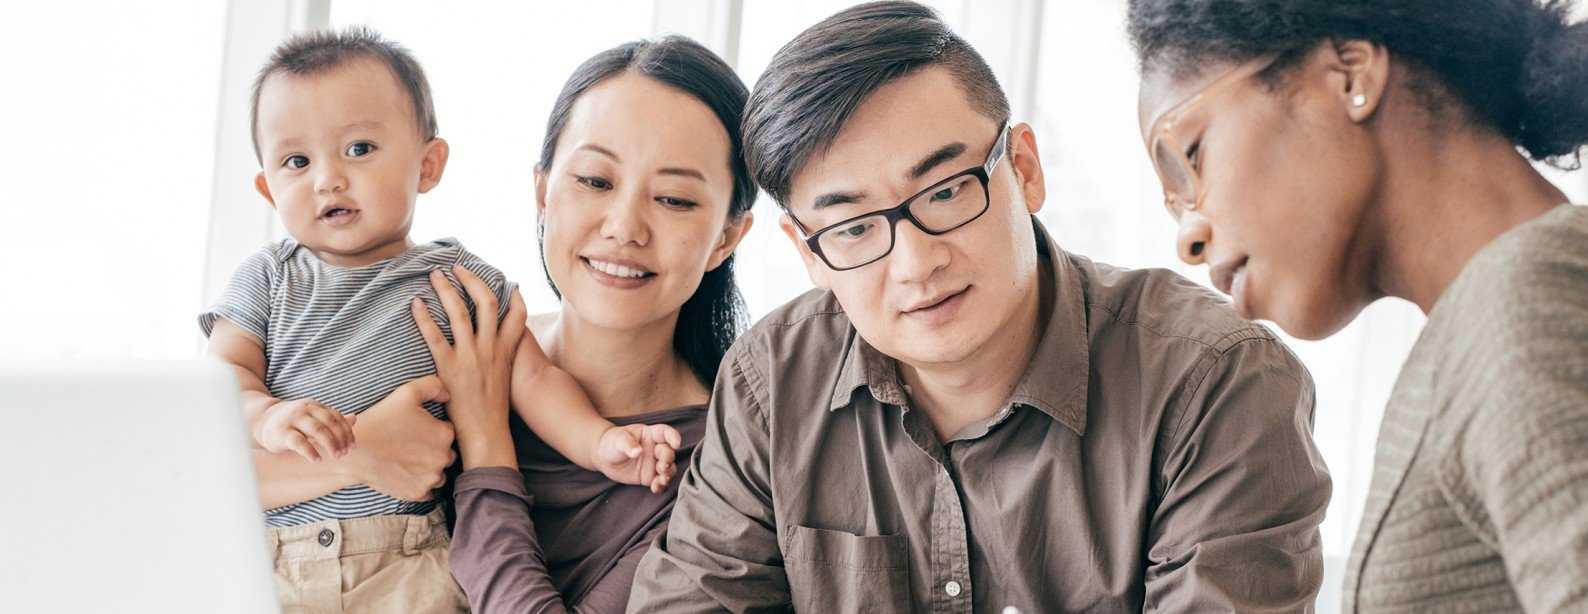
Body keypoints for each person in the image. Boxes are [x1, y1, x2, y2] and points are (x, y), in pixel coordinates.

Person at [629, 3, 1330, 612]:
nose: (915, 263)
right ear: (809, 253)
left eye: (945, 192)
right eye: (852, 229)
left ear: (1023, 168)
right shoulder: (773, 382)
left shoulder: (1214, 384)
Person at [1127, 1, 1588, 611]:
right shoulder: (1566, 287)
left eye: (1190, 157)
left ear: (1348, 71)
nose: (1189, 235)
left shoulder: (1533, 299)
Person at [200, 27, 678, 613]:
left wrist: (600, 442)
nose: (327, 178)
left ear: (428, 165)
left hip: (407, 558)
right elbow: (221, 384)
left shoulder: (460, 280)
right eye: (296, 161)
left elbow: (533, 380)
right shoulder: (265, 279)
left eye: (358, 149)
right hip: (271, 556)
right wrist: (269, 418)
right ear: (268, 190)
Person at [419, 36, 756, 613]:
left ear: (727, 237)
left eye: (674, 199)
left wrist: (485, 442)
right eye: (595, 182)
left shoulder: (726, 465)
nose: (625, 227)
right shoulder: (448, 344)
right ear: (541, 193)